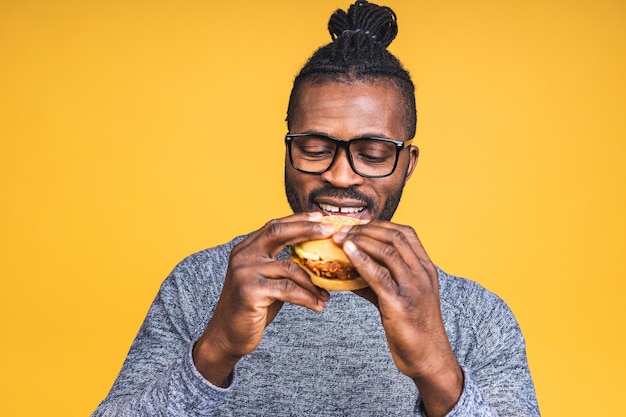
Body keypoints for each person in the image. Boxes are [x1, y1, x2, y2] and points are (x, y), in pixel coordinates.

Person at [92, 1, 539, 416]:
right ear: (288, 153)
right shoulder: (202, 285)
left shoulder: (477, 316)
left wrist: (437, 369)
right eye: (315, 147)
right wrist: (215, 350)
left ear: (407, 164)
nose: (341, 176)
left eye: (374, 153)